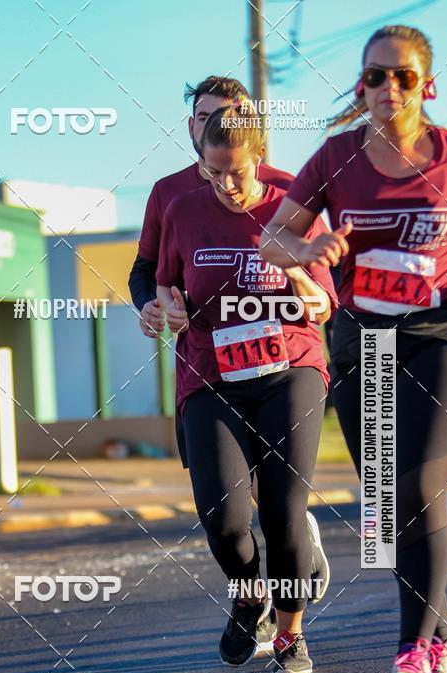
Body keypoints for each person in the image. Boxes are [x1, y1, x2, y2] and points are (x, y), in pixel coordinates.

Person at [261, 24, 447, 673]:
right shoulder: (337, 157)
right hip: (363, 341)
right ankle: (444, 627)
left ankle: (416, 652)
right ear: (361, 83)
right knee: (387, 505)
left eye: (403, 76)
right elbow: (272, 239)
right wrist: (311, 249)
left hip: (444, 332)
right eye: (375, 75)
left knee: (421, 483)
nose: (388, 87)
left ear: (426, 84)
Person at [129, 75, 331, 616]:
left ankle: (290, 606)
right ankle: (253, 591)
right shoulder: (172, 197)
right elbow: (150, 273)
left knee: (280, 504)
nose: (211, 127)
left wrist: (305, 284)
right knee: (224, 510)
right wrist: (154, 304)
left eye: (226, 115)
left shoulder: (290, 191)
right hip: (207, 370)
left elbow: (323, 290)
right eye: (202, 118)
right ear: (193, 128)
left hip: (288, 365)